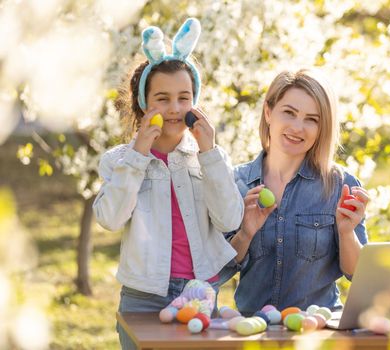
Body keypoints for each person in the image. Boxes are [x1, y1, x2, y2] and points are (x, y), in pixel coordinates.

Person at [92, 18, 243, 348]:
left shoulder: (210, 157)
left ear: (195, 102)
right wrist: (138, 156)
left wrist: (210, 153)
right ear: (145, 104)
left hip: (199, 295)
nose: (175, 109)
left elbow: (230, 219)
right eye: (162, 98)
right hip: (143, 298)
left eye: (184, 98)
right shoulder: (119, 160)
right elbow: (109, 218)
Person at [221, 69, 369, 315]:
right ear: (269, 113)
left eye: (312, 119)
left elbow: (357, 274)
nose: (298, 127)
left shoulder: (340, 185)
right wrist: (246, 233)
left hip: (315, 334)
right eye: (289, 113)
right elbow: (220, 269)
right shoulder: (236, 183)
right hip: (254, 332)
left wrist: (346, 233)